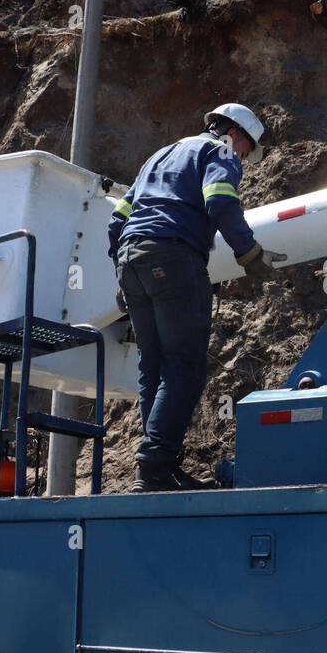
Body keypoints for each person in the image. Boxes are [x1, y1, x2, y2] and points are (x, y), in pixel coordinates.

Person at [108, 103, 287, 492]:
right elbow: (220, 199)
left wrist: (123, 272)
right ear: (235, 134)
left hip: (131, 259)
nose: (241, 157)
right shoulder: (220, 151)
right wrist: (249, 253)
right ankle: (155, 464)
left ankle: (157, 466)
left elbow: (117, 219)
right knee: (184, 364)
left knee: (152, 366)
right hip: (173, 257)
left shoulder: (159, 156)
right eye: (245, 150)